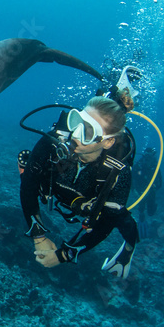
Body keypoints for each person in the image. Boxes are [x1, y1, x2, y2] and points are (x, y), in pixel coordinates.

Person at [18, 96, 139, 278]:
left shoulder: (117, 172)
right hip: (56, 187)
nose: (75, 135)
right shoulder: (54, 141)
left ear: (107, 142)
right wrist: (39, 237)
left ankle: (129, 249)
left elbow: (105, 225)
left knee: (120, 218)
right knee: (31, 173)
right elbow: (28, 188)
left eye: (88, 131)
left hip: (89, 203)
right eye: (77, 122)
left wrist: (63, 255)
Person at [132, 146, 161, 218]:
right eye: (146, 156)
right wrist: (134, 190)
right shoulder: (138, 166)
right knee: (141, 209)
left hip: (150, 191)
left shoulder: (155, 167)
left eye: (149, 156)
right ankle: (140, 214)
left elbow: (160, 182)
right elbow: (131, 178)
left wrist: (155, 187)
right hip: (140, 191)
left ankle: (151, 207)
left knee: (150, 212)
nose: (147, 159)